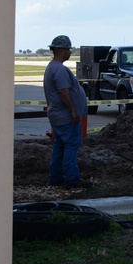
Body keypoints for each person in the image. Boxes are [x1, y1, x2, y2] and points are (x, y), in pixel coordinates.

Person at [43, 35, 90, 187]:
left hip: (58, 115)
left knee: (59, 146)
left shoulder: (52, 67)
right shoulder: (59, 69)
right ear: (61, 50)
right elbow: (64, 91)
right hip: (66, 116)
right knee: (71, 146)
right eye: (69, 49)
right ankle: (71, 179)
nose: (70, 52)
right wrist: (73, 110)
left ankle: (55, 177)